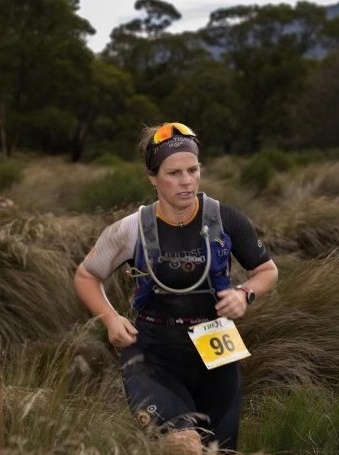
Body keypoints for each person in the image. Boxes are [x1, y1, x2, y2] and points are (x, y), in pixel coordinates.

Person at [73, 122, 278, 454]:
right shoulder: (129, 229)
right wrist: (110, 319)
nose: (186, 181)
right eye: (174, 173)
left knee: (219, 450)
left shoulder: (225, 219)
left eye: (193, 170)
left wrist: (245, 294)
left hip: (217, 348)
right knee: (183, 445)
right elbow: (85, 276)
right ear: (152, 178)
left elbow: (267, 271)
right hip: (152, 353)